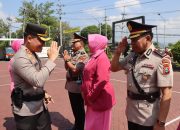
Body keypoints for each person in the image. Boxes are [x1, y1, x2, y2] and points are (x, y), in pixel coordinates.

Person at [111, 21, 173, 130]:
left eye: (135, 40)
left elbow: (167, 94)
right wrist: (117, 53)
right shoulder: (132, 55)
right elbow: (114, 68)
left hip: (147, 117)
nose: (132, 43)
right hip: (131, 112)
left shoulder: (161, 59)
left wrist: (161, 123)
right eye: (131, 40)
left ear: (148, 38)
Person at [11, 23, 60, 130]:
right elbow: (38, 80)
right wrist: (51, 60)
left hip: (40, 107)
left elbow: (41, 75)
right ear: (29, 38)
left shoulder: (32, 54)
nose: (43, 44)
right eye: (41, 40)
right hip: (26, 112)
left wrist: (43, 92)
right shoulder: (20, 58)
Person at [81, 34, 116, 130]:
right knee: (92, 125)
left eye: (91, 43)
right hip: (93, 98)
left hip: (99, 98)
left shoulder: (102, 58)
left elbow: (102, 80)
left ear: (97, 44)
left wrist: (90, 96)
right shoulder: (95, 56)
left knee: (98, 126)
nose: (88, 45)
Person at [63, 33, 89, 130]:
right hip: (72, 85)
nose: (72, 44)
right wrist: (66, 59)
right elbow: (67, 68)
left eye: (75, 42)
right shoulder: (74, 54)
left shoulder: (83, 55)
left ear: (81, 44)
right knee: (75, 108)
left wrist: (67, 60)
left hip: (77, 87)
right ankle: (78, 125)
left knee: (78, 109)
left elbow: (75, 70)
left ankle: (80, 126)